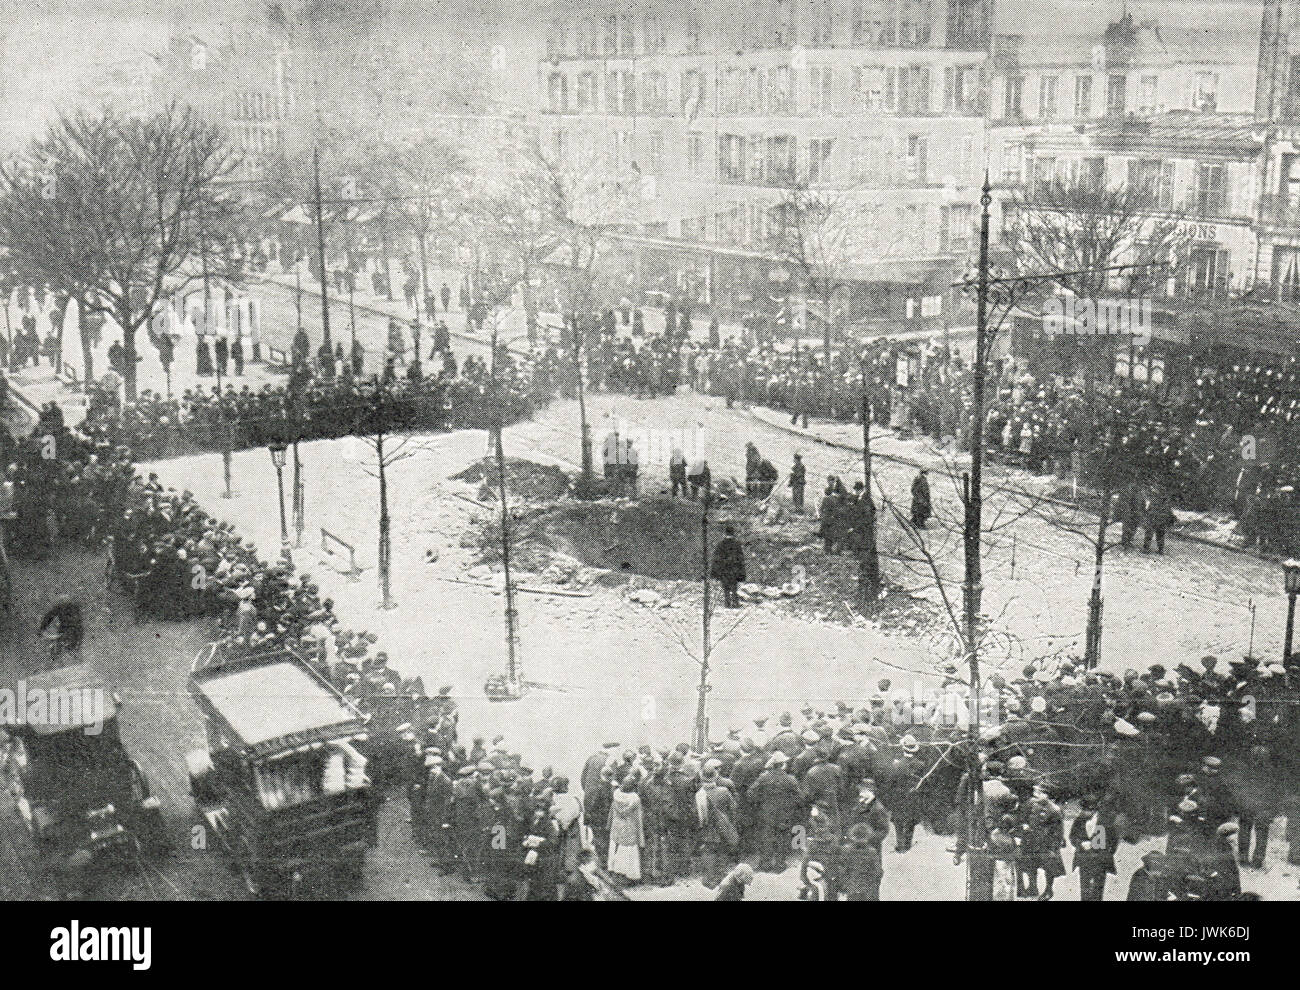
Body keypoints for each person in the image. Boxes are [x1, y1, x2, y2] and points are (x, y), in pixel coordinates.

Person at [747, 750, 805, 872]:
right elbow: (800, 798)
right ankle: (780, 864)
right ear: (783, 764)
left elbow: (750, 794)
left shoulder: (764, 778)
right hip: (785, 813)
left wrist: (761, 801)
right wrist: (790, 804)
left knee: (766, 838)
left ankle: (765, 864)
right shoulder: (791, 779)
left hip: (766, 812)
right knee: (782, 838)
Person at [1069, 797, 1116, 901]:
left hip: (1100, 860)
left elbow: (1113, 841)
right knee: (1084, 887)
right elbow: (1072, 836)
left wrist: (1103, 852)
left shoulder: (1106, 821)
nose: (1083, 813)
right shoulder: (1079, 820)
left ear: (1094, 810)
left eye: (1087, 810)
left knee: (1098, 889)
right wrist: (1080, 843)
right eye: (1083, 810)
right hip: (1084, 859)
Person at [608, 774, 645, 883]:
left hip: (617, 826)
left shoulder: (616, 795)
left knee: (616, 848)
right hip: (630, 827)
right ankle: (630, 876)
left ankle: (615, 871)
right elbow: (638, 817)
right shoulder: (635, 799)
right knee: (629, 851)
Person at [839, 823, 884, 900]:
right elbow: (878, 872)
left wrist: (844, 885)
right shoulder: (872, 852)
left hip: (852, 888)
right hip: (868, 889)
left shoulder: (847, 851)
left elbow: (842, 870)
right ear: (867, 836)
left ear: (853, 836)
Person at [711, 523, 745, 608]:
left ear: (725, 533)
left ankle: (727, 603)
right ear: (733, 533)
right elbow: (740, 558)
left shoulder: (721, 544)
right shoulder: (737, 544)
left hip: (724, 569)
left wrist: (715, 572)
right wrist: (741, 572)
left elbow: (717, 559)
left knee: (725, 587)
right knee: (734, 587)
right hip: (734, 569)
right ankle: (735, 603)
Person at [1143, 482, 1174, 554]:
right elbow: (1168, 510)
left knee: (1149, 533)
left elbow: (1150, 509)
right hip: (1161, 519)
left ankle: (1146, 548)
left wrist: (1148, 515)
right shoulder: (1166, 500)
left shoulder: (1155, 499)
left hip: (1154, 518)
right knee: (1160, 534)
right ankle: (1160, 549)